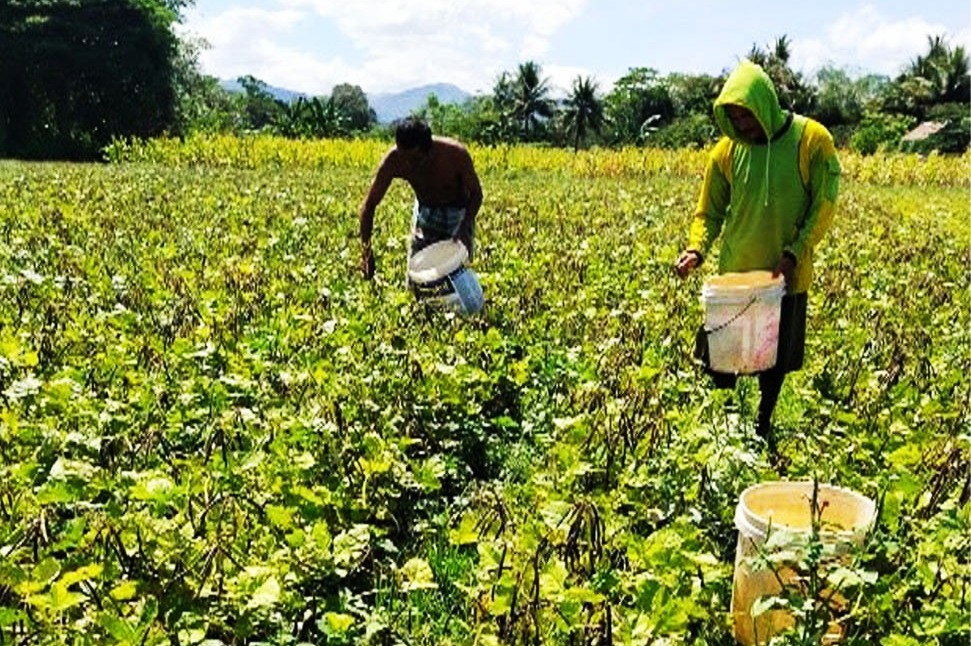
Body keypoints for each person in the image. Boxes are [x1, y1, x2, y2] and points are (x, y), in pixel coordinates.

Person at [674, 60, 841, 453]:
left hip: (784, 278)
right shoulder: (726, 152)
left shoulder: (811, 141)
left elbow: (824, 205)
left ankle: (762, 426)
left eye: (747, 116)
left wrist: (794, 253)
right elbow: (709, 212)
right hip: (735, 279)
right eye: (734, 118)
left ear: (764, 104)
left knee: (774, 361)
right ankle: (724, 431)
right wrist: (696, 249)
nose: (742, 125)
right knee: (721, 363)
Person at [358, 117, 483, 280]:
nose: (409, 164)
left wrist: (464, 227)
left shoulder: (455, 155)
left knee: (457, 277)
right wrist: (366, 252)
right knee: (418, 278)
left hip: (458, 213)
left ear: (429, 150)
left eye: (415, 159)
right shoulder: (394, 160)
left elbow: (476, 194)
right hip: (426, 211)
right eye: (405, 158)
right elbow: (369, 205)